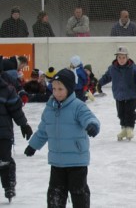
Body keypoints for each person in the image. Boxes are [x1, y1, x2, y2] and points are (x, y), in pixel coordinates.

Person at [24, 68, 100, 207]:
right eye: (54, 89)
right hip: (57, 161)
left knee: (79, 193)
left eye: (60, 89)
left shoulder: (78, 106)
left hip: (76, 161)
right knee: (55, 194)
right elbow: (43, 130)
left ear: (69, 89)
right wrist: (33, 145)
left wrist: (92, 125)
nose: (57, 92)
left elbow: (89, 118)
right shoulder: (50, 107)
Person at [0, 56, 33, 202]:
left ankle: (9, 185)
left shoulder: (5, 87)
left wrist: (23, 124)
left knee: (5, 160)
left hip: (3, 132)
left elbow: (15, 108)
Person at [97, 46, 136, 141]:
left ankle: (129, 128)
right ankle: (124, 128)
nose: (121, 60)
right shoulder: (112, 68)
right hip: (118, 95)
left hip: (131, 95)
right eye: (119, 57)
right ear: (116, 58)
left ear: (127, 57)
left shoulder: (134, 68)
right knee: (120, 113)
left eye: (123, 57)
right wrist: (99, 84)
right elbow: (106, 77)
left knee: (130, 112)